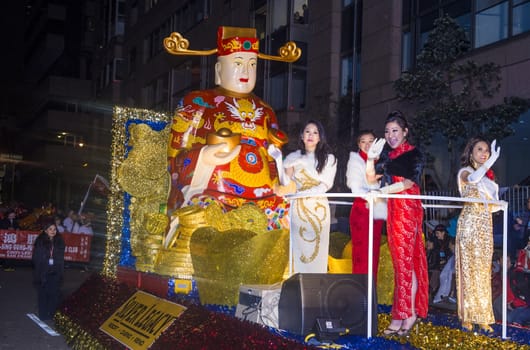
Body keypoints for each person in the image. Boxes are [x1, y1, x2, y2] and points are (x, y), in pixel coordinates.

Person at [165, 26, 299, 219]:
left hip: (265, 202)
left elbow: (272, 157)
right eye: (238, 63)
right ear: (219, 70)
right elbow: (173, 159)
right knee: (204, 219)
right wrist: (204, 157)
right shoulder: (196, 102)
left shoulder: (266, 110)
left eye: (252, 64)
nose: (246, 70)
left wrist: (281, 183)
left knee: (290, 223)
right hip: (214, 196)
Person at [374, 110, 428, 337]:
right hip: (393, 211)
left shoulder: (415, 154)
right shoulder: (386, 155)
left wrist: (385, 190)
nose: (390, 135)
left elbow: (408, 182)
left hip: (408, 210)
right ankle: (408, 312)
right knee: (402, 264)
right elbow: (372, 178)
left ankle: (403, 314)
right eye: (387, 131)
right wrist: (370, 159)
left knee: (405, 264)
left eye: (395, 130)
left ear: (405, 132)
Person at [455, 136, 501, 333]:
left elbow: (493, 204)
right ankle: (467, 315)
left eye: (487, 151)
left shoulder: (489, 179)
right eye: (480, 150)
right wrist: (490, 163)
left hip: (485, 226)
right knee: (468, 271)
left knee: (483, 272)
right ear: (471, 152)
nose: (484, 153)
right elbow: (473, 180)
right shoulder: (465, 172)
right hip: (469, 225)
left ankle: (482, 316)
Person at [280, 120, 337, 273]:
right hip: (298, 208)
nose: (311, 135)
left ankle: (317, 286)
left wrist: (302, 194)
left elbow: (325, 185)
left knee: (318, 247)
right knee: (298, 247)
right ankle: (298, 286)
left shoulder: (329, 158)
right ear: (302, 136)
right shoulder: (294, 157)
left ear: (320, 138)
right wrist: (280, 161)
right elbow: (285, 182)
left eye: (315, 132)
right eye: (307, 131)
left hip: (318, 208)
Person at [346, 130, 386, 280]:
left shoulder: (381, 161)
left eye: (371, 140)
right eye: (363, 141)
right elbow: (355, 188)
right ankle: (360, 292)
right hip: (362, 212)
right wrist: (372, 194)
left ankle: (370, 295)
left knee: (374, 253)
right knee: (361, 254)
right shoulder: (356, 161)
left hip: (376, 212)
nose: (368, 144)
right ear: (358, 144)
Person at [32, 223, 65, 321]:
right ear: (45, 230)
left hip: (55, 271)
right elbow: (36, 258)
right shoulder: (40, 241)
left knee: (54, 294)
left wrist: (60, 270)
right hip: (43, 272)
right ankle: (43, 314)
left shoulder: (59, 242)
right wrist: (40, 271)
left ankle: (51, 313)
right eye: (50, 229)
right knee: (43, 294)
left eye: (54, 229)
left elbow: (61, 258)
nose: (53, 231)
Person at [433, 237, 456, 304]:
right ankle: (445, 295)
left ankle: (449, 294)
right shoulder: (452, 256)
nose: (449, 246)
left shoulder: (455, 255)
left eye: (450, 244)